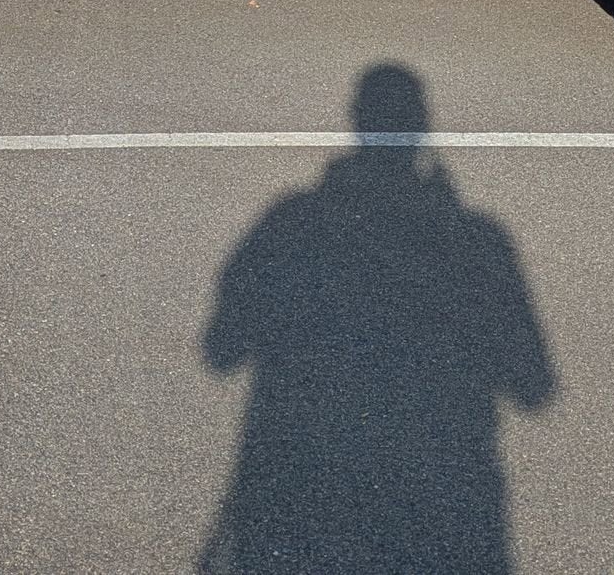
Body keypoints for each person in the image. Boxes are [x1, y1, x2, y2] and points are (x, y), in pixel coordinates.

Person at [200, 63, 556, 574]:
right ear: (423, 130)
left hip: (309, 492)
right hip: (449, 494)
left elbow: (222, 350)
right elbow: (533, 387)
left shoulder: (292, 219)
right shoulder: (481, 239)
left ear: (355, 120)